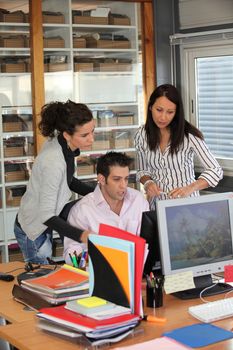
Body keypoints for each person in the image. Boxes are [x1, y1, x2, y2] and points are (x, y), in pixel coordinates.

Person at [14, 100, 95, 264]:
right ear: (67, 134)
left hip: (41, 221)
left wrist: (98, 193)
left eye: (92, 131)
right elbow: (46, 216)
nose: (91, 139)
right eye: (84, 135)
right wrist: (81, 235)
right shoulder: (53, 161)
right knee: (39, 282)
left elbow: (68, 180)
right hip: (34, 229)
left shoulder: (63, 145)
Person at [134, 84, 223, 209]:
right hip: (157, 206)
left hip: (187, 206)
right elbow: (142, 171)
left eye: (170, 112)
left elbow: (216, 170)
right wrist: (148, 183)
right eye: (159, 110)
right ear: (150, 107)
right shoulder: (141, 135)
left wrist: (189, 188)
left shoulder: (189, 135)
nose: (163, 117)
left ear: (176, 113)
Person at [63, 151, 149, 264]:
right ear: (102, 179)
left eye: (126, 178)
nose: (124, 185)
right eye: (117, 179)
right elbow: (70, 256)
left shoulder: (138, 200)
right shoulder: (82, 210)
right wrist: (94, 255)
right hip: (101, 274)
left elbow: (149, 240)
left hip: (138, 272)